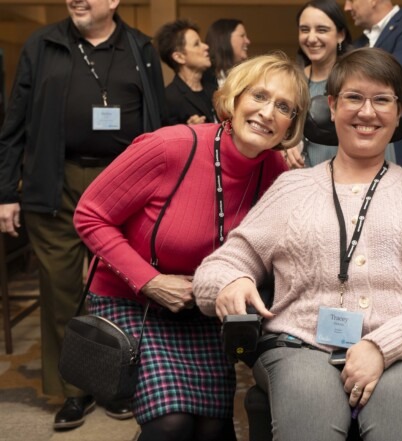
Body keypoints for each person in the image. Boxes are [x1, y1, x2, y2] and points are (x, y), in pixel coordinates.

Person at [193, 47, 402, 441]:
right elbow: (218, 267)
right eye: (354, 98)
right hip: (301, 345)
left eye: (381, 100)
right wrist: (230, 282)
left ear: (399, 112)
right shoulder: (292, 188)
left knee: (399, 416)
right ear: (331, 105)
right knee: (309, 419)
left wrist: (381, 347)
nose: (367, 112)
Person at [73, 53, 308, 441]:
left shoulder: (275, 173)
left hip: (201, 308)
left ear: (291, 125)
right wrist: (149, 281)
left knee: (214, 428)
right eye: (259, 96)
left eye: (283, 107)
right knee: (172, 422)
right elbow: (90, 215)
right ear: (233, 99)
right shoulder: (169, 146)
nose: (268, 113)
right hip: (132, 300)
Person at [0, 0, 165, 430]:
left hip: (125, 183)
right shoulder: (43, 44)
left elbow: (159, 119)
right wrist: (4, 193)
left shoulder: (139, 46)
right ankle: (72, 388)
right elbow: (13, 122)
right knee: (60, 289)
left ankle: (117, 381)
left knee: (121, 287)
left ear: (113, 1)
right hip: (56, 180)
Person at [344, 0, 402, 170]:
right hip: (364, 149)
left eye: (351, 0)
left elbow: (387, 81)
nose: (347, 7)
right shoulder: (358, 43)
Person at [283, 0, 353, 169]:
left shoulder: (356, 82)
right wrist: (283, 143)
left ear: (340, 35)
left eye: (322, 30)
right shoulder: (290, 81)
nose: (311, 38)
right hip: (297, 179)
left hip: (348, 181)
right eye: (304, 30)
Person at [155, 19, 218, 125]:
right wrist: (188, 131)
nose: (206, 47)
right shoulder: (169, 99)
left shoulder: (214, 89)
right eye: (196, 44)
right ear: (179, 57)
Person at [204, 18, 251, 88]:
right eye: (242, 36)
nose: (248, 41)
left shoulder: (247, 76)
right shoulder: (204, 76)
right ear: (225, 39)